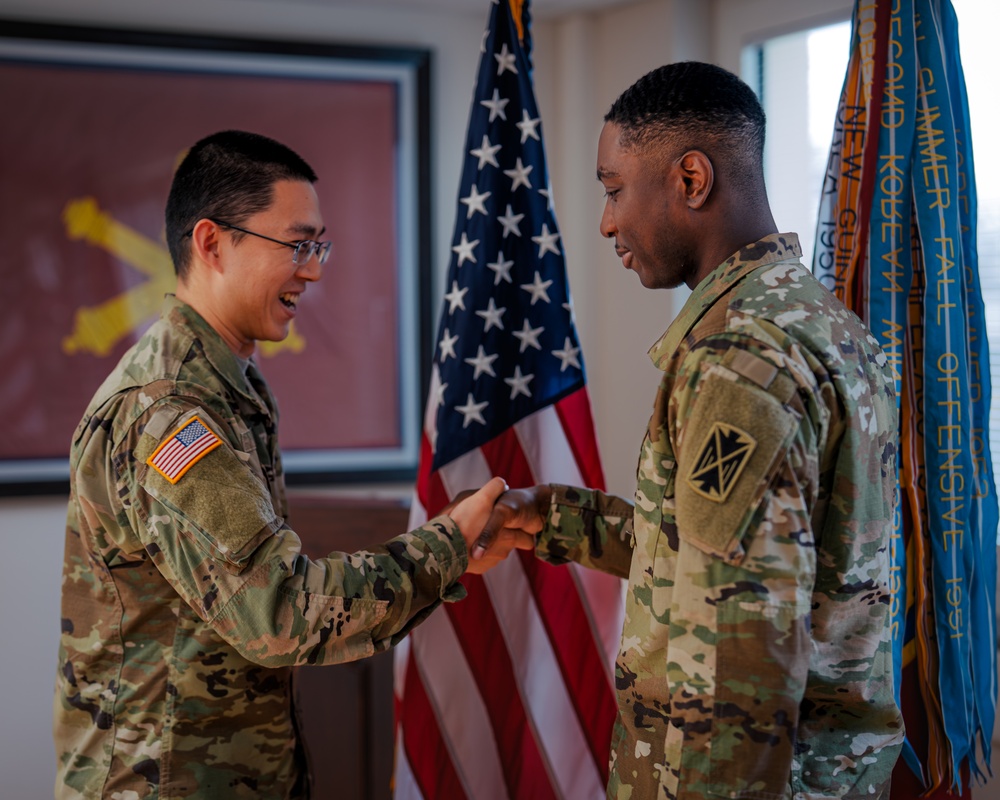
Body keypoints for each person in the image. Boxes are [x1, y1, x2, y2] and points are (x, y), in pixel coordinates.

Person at [53, 130, 529, 800]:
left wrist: (445, 557)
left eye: (319, 246)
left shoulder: (229, 387)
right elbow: (279, 614)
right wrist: (443, 548)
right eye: (297, 245)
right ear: (213, 243)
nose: (314, 269)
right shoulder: (169, 412)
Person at [480, 62, 904, 798]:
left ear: (691, 180)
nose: (608, 221)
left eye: (614, 191)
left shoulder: (737, 363)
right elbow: (722, 558)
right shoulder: (823, 325)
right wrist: (554, 518)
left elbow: (736, 654)